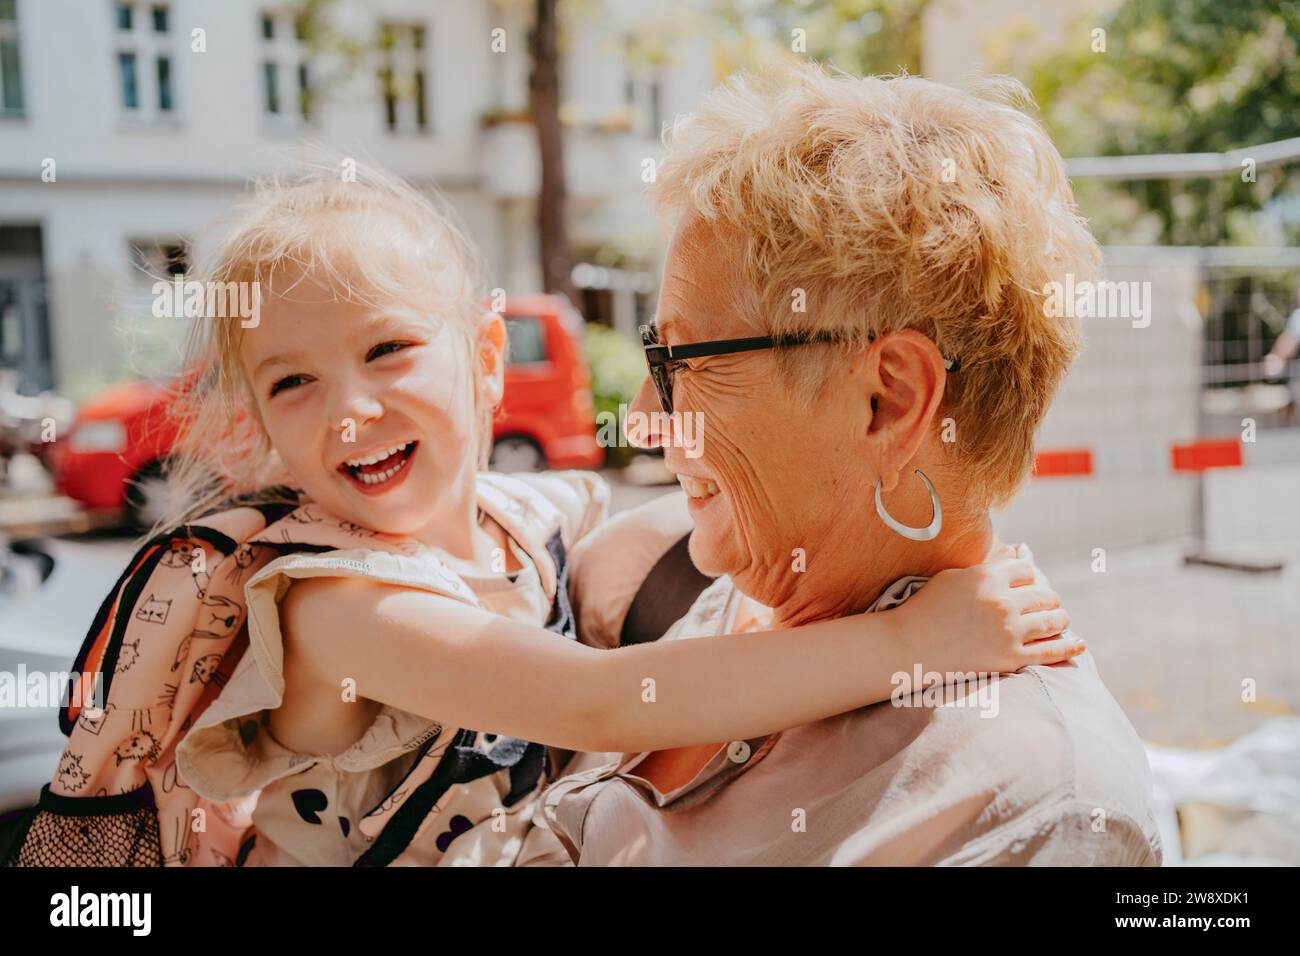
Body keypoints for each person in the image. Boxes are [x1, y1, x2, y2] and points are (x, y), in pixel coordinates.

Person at [102, 165, 1078, 867]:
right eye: (294, 382)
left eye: (389, 348)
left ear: (487, 357)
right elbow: (599, 701)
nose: (350, 407)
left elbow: (662, 544)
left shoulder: (525, 517)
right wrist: (910, 639)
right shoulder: (335, 603)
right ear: (261, 421)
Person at [527, 64, 1162, 866]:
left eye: (680, 360)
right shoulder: (661, 568)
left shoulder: (1036, 807)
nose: (647, 421)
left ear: (889, 400)